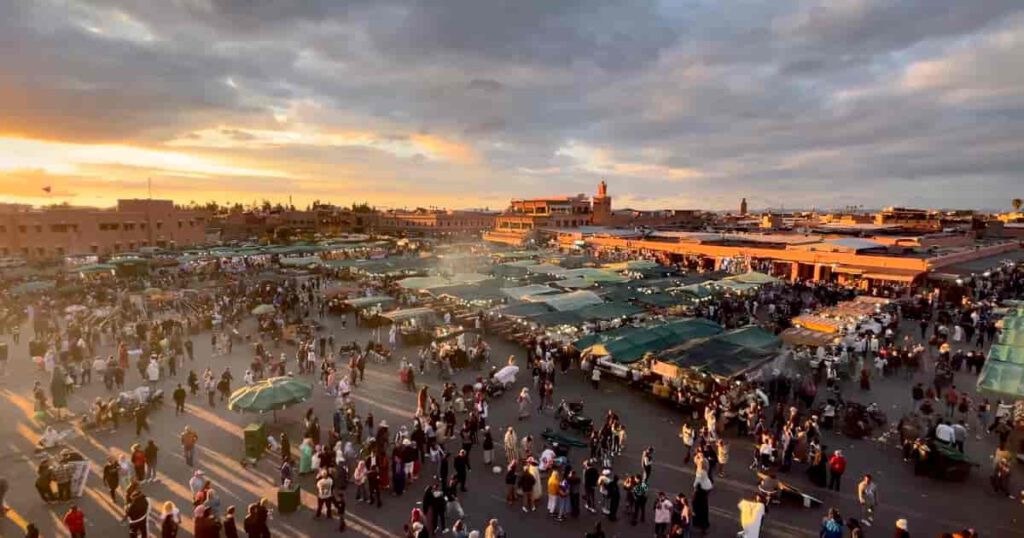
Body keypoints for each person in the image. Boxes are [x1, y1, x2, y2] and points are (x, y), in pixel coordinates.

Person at [692, 470, 712, 534]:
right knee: (704, 514)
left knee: (698, 513)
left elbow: (695, 492)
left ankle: (698, 524)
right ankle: (703, 528)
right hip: (704, 501)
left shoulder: (698, 484)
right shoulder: (707, 483)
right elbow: (709, 489)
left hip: (698, 501)